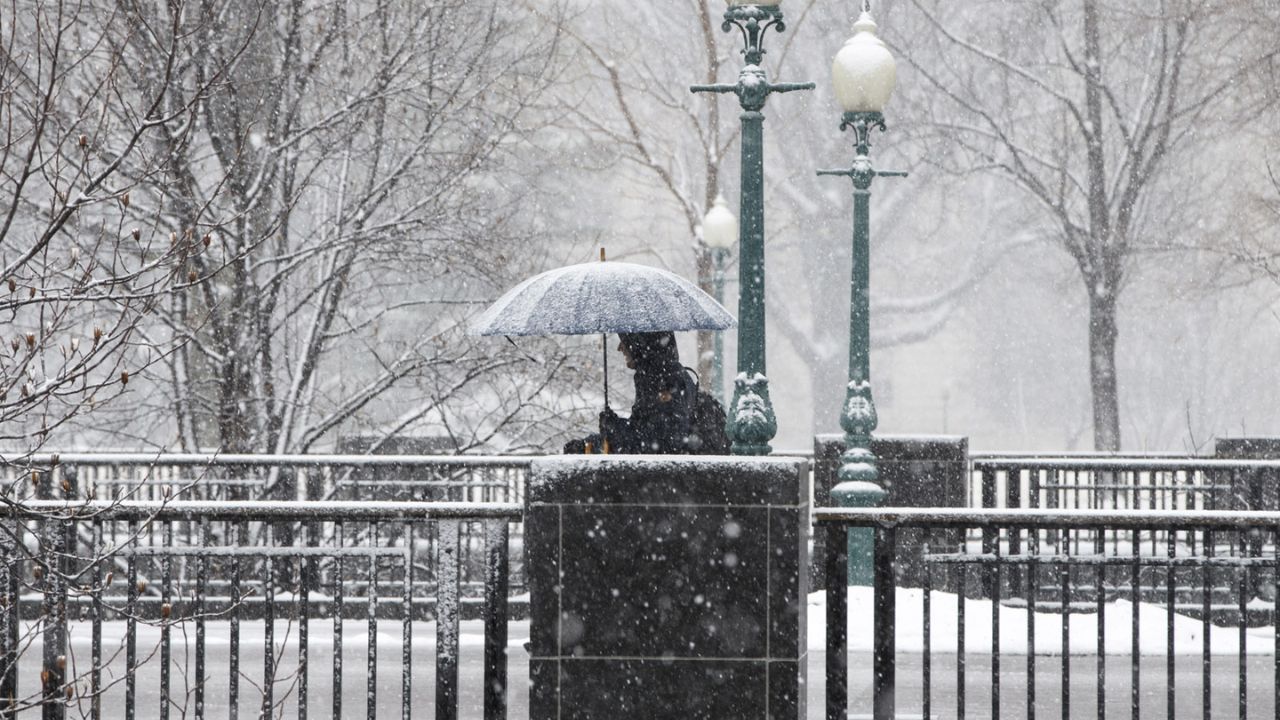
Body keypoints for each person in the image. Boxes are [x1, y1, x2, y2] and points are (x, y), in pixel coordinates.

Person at [563, 331, 696, 454]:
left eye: (626, 340)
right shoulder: (658, 376)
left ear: (641, 341)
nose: (620, 347)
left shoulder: (664, 380)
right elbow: (639, 433)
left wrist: (614, 428)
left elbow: (654, 446)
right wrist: (587, 446)